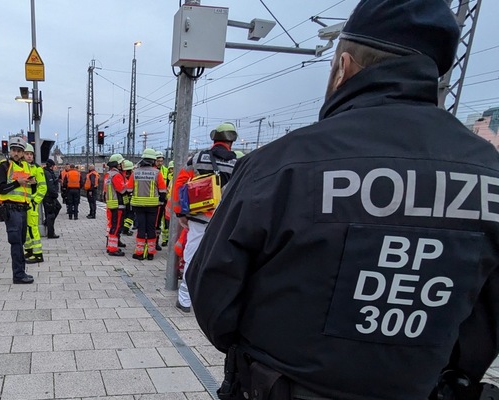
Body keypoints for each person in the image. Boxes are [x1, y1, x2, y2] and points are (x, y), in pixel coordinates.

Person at [188, 2, 499, 399]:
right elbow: (487, 319)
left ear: (343, 67)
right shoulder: (490, 174)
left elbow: (213, 293)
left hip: (281, 387)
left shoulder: (280, 165)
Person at [173, 123, 238, 313]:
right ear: (231, 142)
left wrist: (180, 212)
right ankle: (210, 300)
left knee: (191, 257)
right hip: (224, 220)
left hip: (199, 216)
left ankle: (185, 300)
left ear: (214, 139)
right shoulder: (237, 164)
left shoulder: (198, 158)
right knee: (218, 260)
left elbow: (180, 183)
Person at [0, 137, 35, 284]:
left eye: (19, 151)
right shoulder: (4, 166)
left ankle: (21, 272)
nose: (16, 153)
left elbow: (29, 189)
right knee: (16, 242)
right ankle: (18, 275)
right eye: (14, 150)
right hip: (11, 209)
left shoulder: (26, 167)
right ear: (10, 151)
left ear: (23, 153)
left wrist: (33, 183)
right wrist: (17, 183)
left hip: (23, 209)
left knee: (21, 241)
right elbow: (1, 188)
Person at [127, 149, 167, 260]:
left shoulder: (135, 172)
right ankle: (150, 253)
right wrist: (161, 201)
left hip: (138, 205)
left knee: (141, 228)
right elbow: (163, 190)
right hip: (153, 206)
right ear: (153, 160)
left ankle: (139, 253)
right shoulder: (157, 173)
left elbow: (129, 189)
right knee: (151, 228)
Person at [22, 144, 47, 263]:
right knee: (26, 228)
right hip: (22, 202)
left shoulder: (37, 169)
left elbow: (43, 188)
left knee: (32, 228)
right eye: (27, 154)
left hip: (31, 203)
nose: (29, 156)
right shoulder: (20, 167)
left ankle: (38, 254)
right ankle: (29, 250)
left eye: (31, 154)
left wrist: (35, 201)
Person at [104, 154, 126, 257]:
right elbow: (122, 189)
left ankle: (110, 246)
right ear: (118, 164)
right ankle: (113, 249)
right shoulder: (116, 175)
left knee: (113, 226)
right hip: (118, 204)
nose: (123, 164)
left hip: (111, 203)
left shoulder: (108, 174)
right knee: (116, 227)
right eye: (121, 162)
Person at [42, 159, 62, 239]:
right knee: (50, 214)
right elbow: (50, 186)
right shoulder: (47, 173)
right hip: (49, 196)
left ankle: (47, 222)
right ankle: (50, 233)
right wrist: (55, 194)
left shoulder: (49, 172)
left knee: (58, 207)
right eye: (54, 166)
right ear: (51, 166)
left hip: (50, 195)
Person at [121, 160, 135, 236]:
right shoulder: (132, 177)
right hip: (131, 197)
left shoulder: (122, 176)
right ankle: (126, 229)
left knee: (125, 212)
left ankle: (123, 227)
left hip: (124, 197)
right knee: (131, 214)